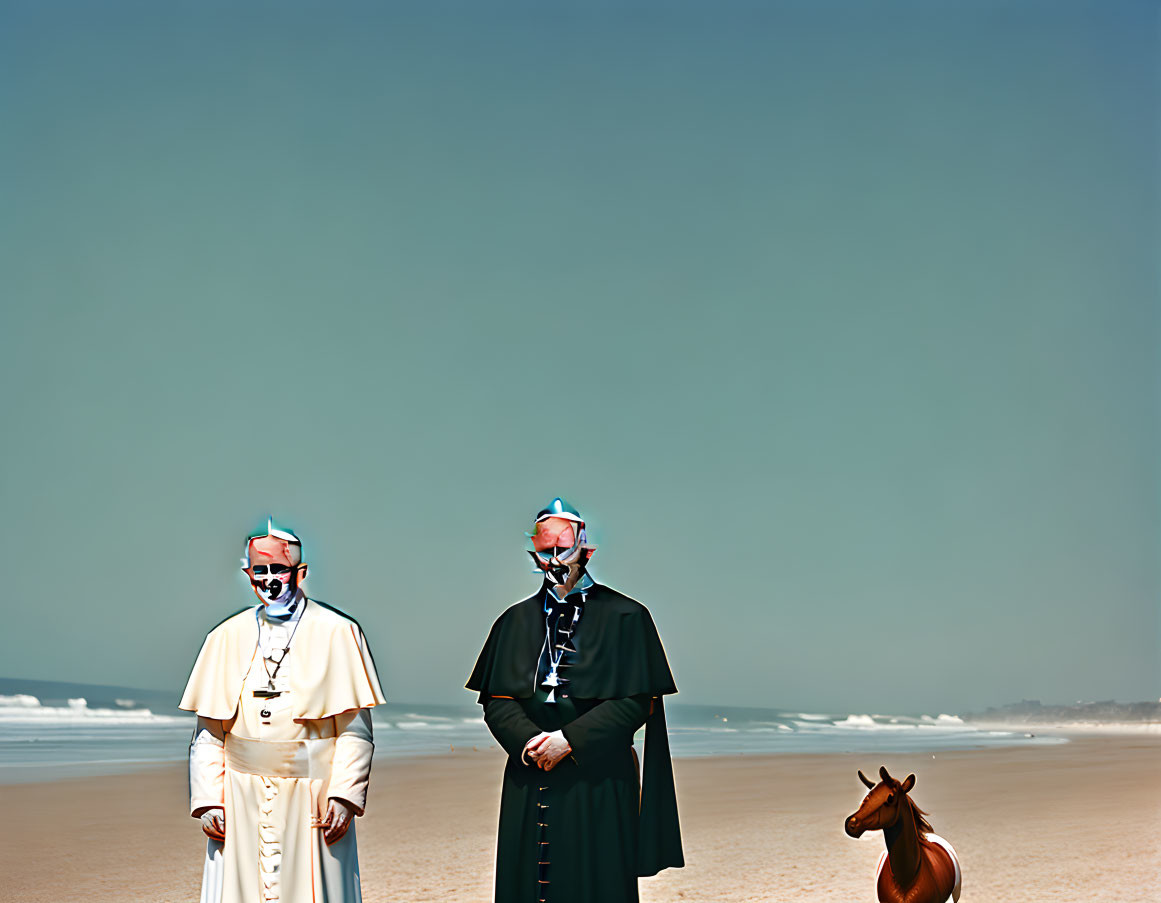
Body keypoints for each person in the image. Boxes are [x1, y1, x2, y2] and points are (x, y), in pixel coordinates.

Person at [467, 498, 684, 903]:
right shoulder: (513, 621)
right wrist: (530, 744)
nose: (554, 560)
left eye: (562, 550)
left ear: (586, 550)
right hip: (529, 774)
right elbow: (496, 700)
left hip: (598, 778)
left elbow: (636, 701)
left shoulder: (627, 616)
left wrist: (568, 741)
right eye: (545, 552)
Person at [180, 520, 386, 903]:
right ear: (248, 574)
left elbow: (356, 730)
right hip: (239, 794)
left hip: (313, 794)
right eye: (261, 570)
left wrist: (344, 795)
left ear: (300, 572)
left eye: (279, 569)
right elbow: (207, 733)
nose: (270, 579)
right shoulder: (224, 636)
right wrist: (208, 799)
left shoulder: (338, 631)